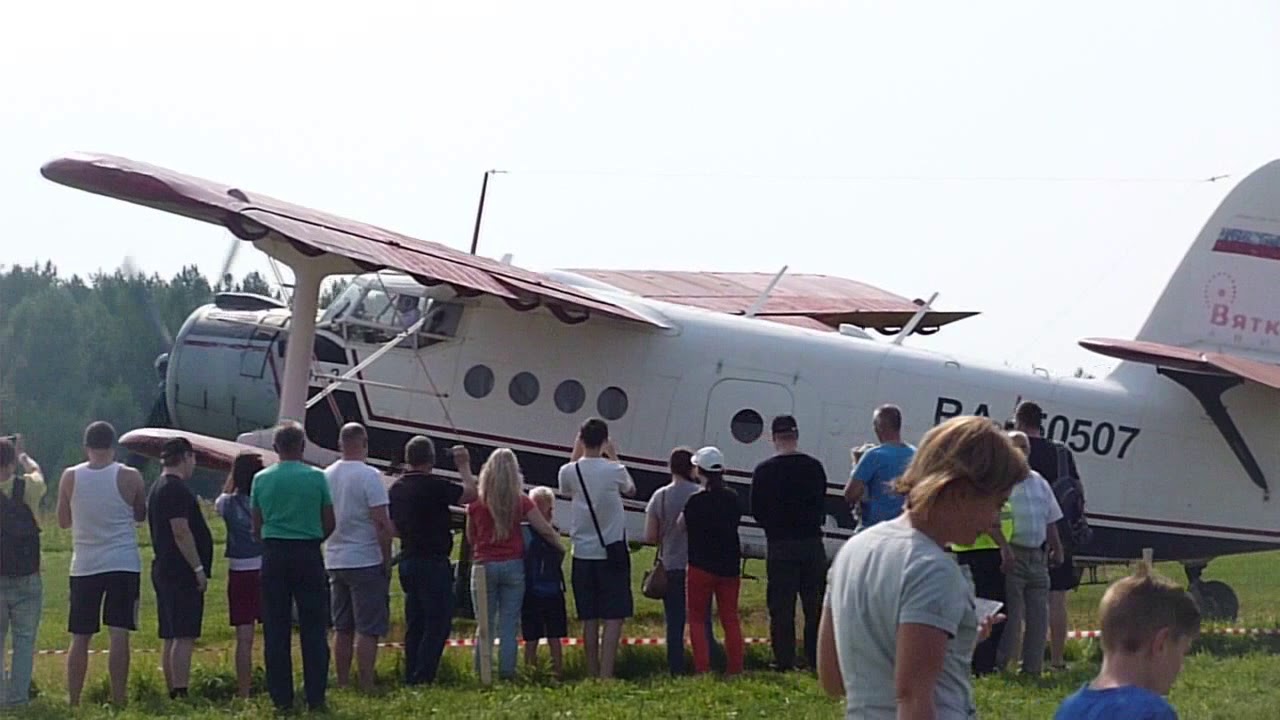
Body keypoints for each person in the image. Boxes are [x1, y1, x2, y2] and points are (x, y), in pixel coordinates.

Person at [817, 415, 1027, 719]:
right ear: (961, 492)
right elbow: (913, 697)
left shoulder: (853, 550)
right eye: (997, 503)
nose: (995, 519)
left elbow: (833, 679)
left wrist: (958, 636)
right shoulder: (933, 569)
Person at [57, 421, 146, 708]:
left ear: (86, 447)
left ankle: (74, 699)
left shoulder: (70, 477)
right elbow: (140, 514)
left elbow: (63, 521)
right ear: (113, 446)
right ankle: (118, 699)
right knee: (119, 634)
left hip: (85, 563)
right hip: (122, 561)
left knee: (80, 636)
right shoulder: (130, 476)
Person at [251, 421, 335, 712]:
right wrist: (312, 537)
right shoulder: (317, 477)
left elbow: (256, 525)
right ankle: (316, 695)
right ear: (302, 446)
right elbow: (329, 520)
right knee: (314, 627)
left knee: (276, 629)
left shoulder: (261, 479)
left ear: (275, 448)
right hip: (308, 552)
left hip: (274, 553)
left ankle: (282, 698)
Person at [467, 448, 563, 680]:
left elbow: (471, 538)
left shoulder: (476, 504)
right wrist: (559, 546)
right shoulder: (521, 502)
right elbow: (544, 529)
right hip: (513, 566)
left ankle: (483, 675)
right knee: (509, 627)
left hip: (483, 566)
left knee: (485, 627)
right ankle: (507, 674)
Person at [1054, 568, 1200, 719]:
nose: (1181, 668)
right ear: (1161, 644)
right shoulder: (1152, 713)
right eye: (1182, 652)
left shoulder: (1068, 709)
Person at [389, 436, 476, 686]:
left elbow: (394, 527)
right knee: (438, 621)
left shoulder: (397, 488)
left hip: (408, 559)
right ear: (431, 459)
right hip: (434, 560)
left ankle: (411, 673)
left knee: (415, 621)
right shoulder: (436, 486)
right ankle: (423, 675)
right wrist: (464, 467)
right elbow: (471, 494)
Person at [558, 418, 637, 679]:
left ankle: (591, 670)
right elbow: (631, 490)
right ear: (605, 440)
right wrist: (613, 455)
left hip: (582, 552)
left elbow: (566, 488)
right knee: (614, 616)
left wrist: (577, 449)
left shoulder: (569, 472)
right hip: (611, 551)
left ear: (581, 439)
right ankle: (606, 673)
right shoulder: (615, 470)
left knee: (589, 617)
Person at [749, 415, 827, 672]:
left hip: (780, 544)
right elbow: (821, 505)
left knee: (782, 607)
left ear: (773, 438)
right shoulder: (814, 467)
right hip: (811, 543)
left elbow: (756, 510)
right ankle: (815, 657)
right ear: (796, 436)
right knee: (813, 604)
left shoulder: (764, 471)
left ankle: (784, 659)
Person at [323, 423, 396, 693]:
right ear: (364, 443)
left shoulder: (327, 475)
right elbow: (381, 522)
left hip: (335, 557)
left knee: (342, 627)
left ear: (341, 444)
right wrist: (386, 560)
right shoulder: (370, 476)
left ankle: (342, 681)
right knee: (368, 627)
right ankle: (366, 681)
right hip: (364, 558)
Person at [1014, 400, 1083, 670]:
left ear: (1018, 421)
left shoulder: (1014, 451)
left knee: (1019, 599)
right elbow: (1077, 490)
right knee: (1056, 598)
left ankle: (1020, 657)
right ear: (1041, 422)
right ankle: (1056, 659)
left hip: (1023, 532)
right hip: (1059, 531)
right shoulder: (1061, 452)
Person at [146, 437, 214, 700]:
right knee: (184, 634)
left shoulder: (158, 487)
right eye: (193, 458)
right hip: (180, 571)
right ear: (185, 457)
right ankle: (181, 690)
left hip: (165, 567)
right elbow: (181, 531)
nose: (194, 464)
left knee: (171, 633)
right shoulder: (175, 489)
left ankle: (172, 688)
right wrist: (197, 567)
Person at [644, 447, 722, 676]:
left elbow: (650, 536)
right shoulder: (700, 494)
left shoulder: (661, 496)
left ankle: (676, 668)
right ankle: (713, 663)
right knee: (703, 620)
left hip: (670, 566)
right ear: (692, 467)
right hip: (698, 564)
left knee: (674, 623)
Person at [998, 431, 1065, 676]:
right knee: (1013, 618)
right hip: (1013, 554)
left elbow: (1051, 517)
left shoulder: (1040, 482)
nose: (1021, 451)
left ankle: (1032, 669)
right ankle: (1006, 667)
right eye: (1015, 447)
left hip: (1038, 556)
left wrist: (1057, 547)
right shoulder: (1001, 481)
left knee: (1039, 617)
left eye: (1024, 447)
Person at [679, 446, 745, 676]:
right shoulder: (733, 498)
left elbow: (681, 526)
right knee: (730, 618)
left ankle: (702, 668)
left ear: (699, 470)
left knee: (697, 619)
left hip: (700, 565)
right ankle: (735, 667)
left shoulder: (695, 500)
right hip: (729, 566)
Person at [214, 452, 266, 698]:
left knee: (243, 638)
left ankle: (244, 690)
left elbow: (221, 498)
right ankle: (274, 681)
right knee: (274, 632)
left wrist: (232, 476)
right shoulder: (263, 500)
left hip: (239, 570)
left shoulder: (226, 504)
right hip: (265, 567)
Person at [0, 436, 44, 709]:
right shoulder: (27, 487)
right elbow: (39, 473)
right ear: (10, 463)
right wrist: (24, 457)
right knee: (24, 641)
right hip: (27, 576)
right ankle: (18, 699)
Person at [949, 496, 1014, 676]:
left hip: (984, 551)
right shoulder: (986, 494)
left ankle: (983, 663)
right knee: (991, 610)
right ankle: (982, 665)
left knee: (990, 610)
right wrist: (1005, 547)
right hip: (981, 552)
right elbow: (991, 524)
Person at [843, 404, 914, 531]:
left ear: (879, 427)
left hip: (873, 529)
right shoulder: (916, 455)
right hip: (903, 531)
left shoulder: (874, 455)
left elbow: (851, 494)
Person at [522, 486, 568, 677]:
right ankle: (557, 672)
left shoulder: (524, 532)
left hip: (530, 591)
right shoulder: (553, 532)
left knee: (531, 637)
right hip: (553, 590)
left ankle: (530, 672)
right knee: (554, 636)